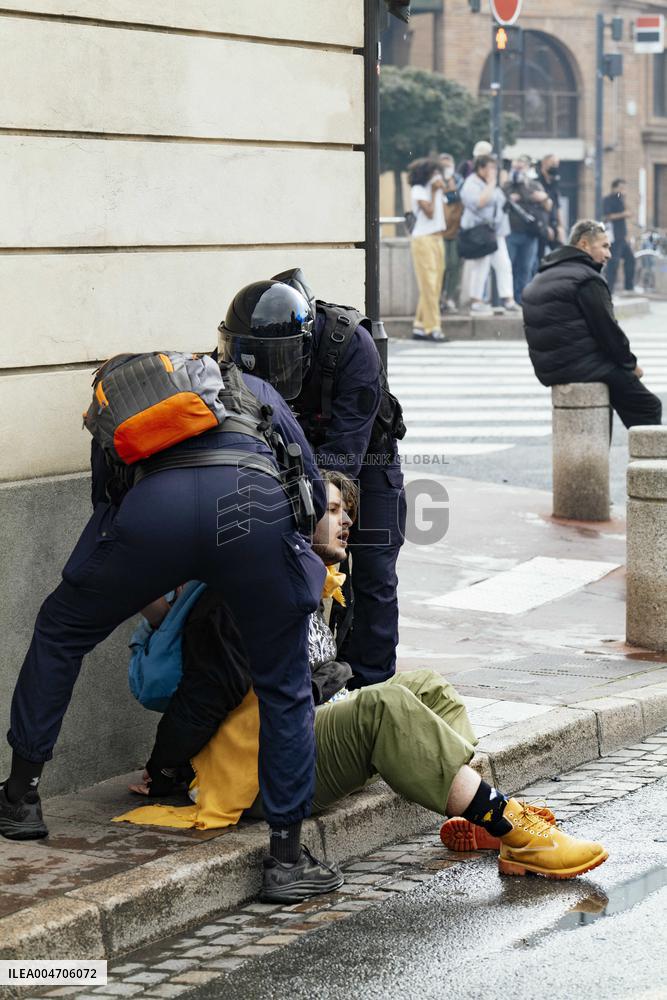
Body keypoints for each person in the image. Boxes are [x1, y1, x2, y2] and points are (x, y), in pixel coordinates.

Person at [121, 472, 610, 894]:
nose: (347, 520)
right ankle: (515, 830)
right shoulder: (242, 598)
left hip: (300, 739)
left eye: (345, 510)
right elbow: (202, 700)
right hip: (264, 777)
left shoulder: (305, 578)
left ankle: (473, 816)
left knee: (426, 686)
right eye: (332, 510)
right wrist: (165, 771)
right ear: (297, 517)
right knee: (384, 706)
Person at [0, 316, 346, 902]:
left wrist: (109, 584)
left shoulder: (122, 407)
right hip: (251, 506)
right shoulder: (249, 387)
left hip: (152, 516)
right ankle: (286, 860)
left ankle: (21, 798)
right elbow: (308, 483)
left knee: (60, 631)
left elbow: (107, 503)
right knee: (283, 684)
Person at [219, 274, 406, 691]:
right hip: (288, 460)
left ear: (304, 346)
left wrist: (308, 504)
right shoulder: (242, 344)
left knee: (374, 570)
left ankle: (372, 690)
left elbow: (345, 457)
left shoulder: (352, 346)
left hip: (364, 459)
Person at [522, 219, 662, 428]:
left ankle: (599, 458)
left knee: (612, 402)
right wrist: (631, 365)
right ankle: (647, 461)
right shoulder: (587, 279)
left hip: (550, 368)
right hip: (579, 366)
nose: (609, 255)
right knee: (648, 405)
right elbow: (609, 332)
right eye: (604, 246)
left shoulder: (541, 277)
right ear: (584, 244)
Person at [460, 155, 520, 316]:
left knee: (504, 264)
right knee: (481, 265)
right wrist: (493, 183)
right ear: (481, 168)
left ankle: (508, 298)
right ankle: (476, 300)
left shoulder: (492, 185)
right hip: (479, 231)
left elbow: (501, 202)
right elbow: (480, 202)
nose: (494, 171)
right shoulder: (471, 183)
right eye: (491, 168)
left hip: (495, 232)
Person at [407, 157, 448, 341]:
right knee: (429, 284)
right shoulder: (419, 190)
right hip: (423, 240)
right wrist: (433, 190)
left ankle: (420, 325)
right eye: (434, 172)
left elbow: (451, 198)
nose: (437, 176)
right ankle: (433, 328)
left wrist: (442, 187)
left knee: (435, 284)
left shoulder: (437, 188)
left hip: (438, 238)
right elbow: (429, 212)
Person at [503, 155, 550, 304]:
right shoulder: (507, 185)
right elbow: (503, 201)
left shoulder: (534, 185)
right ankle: (507, 299)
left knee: (526, 268)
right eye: (515, 168)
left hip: (530, 233)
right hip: (511, 232)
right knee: (508, 267)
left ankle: (522, 299)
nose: (518, 171)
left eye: (521, 168)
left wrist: (543, 197)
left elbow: (548, 206)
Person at [603, 178, 636, 295]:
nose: (622, 190)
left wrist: (624, 198)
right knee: (614, 262)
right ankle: (609, 289)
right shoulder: (608, 200)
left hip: (622, 236)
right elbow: (608, 216)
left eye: (624, 188)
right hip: (614, 236)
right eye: (621, 188)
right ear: (614, 188)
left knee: (630, 259)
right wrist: (623, 214)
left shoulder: (620, 199)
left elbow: (630, 212)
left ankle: (629, 287)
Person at [439, 152, 463, 313]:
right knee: (441, 267)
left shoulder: (459, 181)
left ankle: (450, 298)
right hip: (439, 232)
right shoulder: (435, 182)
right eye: (443, 166)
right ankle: (439, 298)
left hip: (456, 230)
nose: (447, 169)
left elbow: (457, 198)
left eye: (449, 166)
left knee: (454, 265)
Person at [536, 154, 565, 262]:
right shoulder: (536, 182)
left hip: (553, 225)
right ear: (544, 164)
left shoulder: (554, 183)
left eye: (557, 164)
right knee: (538, 260)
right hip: (540, 227)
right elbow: (538, 208)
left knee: (561, 258)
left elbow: (557, 207)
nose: (555, 166)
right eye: (553, 163)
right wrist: (546, 226)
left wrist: (561, 227)